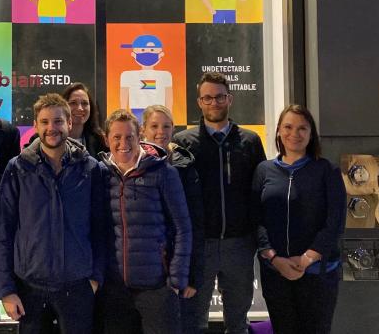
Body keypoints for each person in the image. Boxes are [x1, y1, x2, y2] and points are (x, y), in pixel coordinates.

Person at [0, 93, 105, 334]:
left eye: (58, 121)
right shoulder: (18, 168)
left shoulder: (91, 168)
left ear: (69, 124)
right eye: (44, 122)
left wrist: (95, 277)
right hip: (29, 288)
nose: (51, 128)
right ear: (35, 125)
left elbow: (101, 227)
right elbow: (3, 231)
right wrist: (6, 290)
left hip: (77, 286)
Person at [172, 72, 266, 334]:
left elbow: (260, 193)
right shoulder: (183, 142)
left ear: (230, 99)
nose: (214, 102)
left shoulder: (250, 141)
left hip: (239, 244)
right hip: (200, 246)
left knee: (237, 321)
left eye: (220, 97)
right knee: (194, 320)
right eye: (208, 98)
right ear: (199, 102)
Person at [251, 105, 346, 334]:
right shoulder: (264, 170)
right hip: (276, 272)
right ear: (278, 132)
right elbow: (255, 218)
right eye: (288, 127)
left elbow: (335, 221)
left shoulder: (326, 170)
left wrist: (306, 259)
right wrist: (274, 258)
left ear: (311, 133)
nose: (295, 133)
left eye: (302, 128)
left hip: (317, 274)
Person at [97, 109, 191, 334]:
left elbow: (183, 228)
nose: (123, 143)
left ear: (139, 135)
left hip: (157, 287)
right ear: (106, 139)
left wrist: (176, 279)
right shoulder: (100, 174)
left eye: (129, 136)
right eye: (116, 138)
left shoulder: (163, 172)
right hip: (115, 288)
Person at [141, 105, 205, 334]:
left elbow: (195, 225)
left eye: (166, 126)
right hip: (147, 269)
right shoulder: (132, 165)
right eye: (154, 126)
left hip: (180, 268)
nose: (161, 131)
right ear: (143, 130)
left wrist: (193, 276)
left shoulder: (187, 167)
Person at [119, 34, 173, 121]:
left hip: (160, 114)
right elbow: (123, 106)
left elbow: (169, 102)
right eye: (142, 50)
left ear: (161, 54)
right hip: (136, 115)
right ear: (133, 54)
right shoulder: (127, 75)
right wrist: (124, 120)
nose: (147, 53)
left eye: (152, 50)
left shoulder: (165, 75)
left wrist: (169, 120)